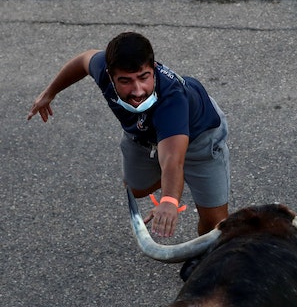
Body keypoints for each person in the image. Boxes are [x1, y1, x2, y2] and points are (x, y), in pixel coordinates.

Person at [28, 32, 230, 238]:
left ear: (153, 69)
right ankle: (177, 180)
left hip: (200, 136)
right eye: (125, 81)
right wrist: (50, 92)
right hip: (144, 135)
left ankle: (187, 188)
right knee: (136, 189)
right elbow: (83, 60)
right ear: (110, 75)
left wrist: (168, 202)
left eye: (144, 77)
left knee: (216, 224)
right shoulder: (101, 68)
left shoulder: (172, 101)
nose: (137, 90)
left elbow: (172, 161)